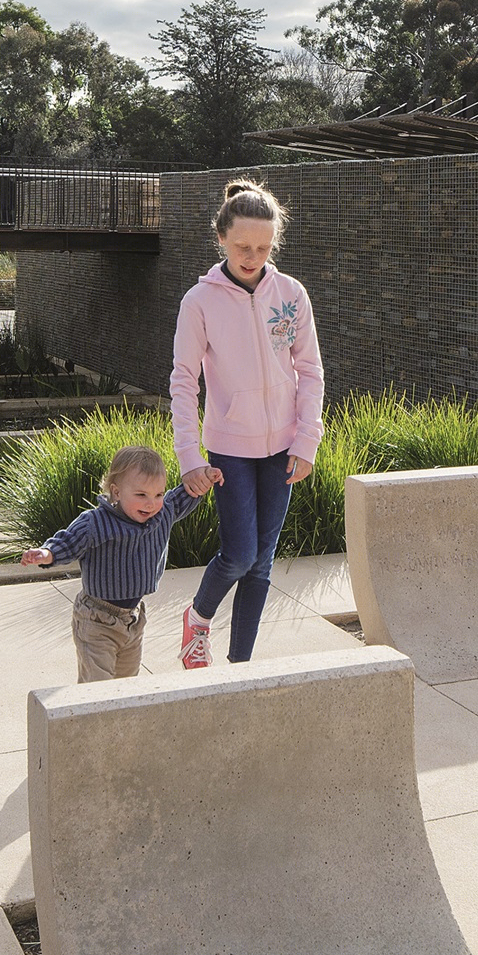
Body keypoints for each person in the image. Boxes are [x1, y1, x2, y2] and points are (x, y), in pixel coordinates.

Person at [170, 178, 324, 669]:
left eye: (262, 246)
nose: (253, 255)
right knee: (238, 555)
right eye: (242, 246)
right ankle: (198, 617)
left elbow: (311, 370)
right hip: (230, 448)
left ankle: (240, 668)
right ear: (221, 239)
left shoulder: (292, 294)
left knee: (261, 564)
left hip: (283, 447)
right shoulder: (200, 302)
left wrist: (307, 440)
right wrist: (189, 456)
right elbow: (182, 380)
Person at [21, 445, 216, 682]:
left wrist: (204, 478)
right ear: (116, 492)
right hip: (96, 620)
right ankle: (89, 718)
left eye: (158, 494)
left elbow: (185, 494)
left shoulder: (162, 512)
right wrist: (47, 553)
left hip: (133, 620)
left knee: (126, 686)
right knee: (97, 689)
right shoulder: (97, 522)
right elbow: (70, 541)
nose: (151, 503)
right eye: (141, 495)